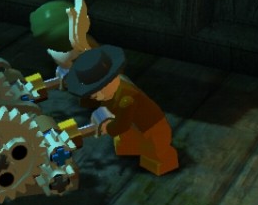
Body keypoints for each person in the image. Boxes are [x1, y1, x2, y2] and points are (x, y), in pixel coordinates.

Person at [64, 45, 178, 176]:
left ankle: (163, 156)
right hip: (134, 127)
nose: (94, 96)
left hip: (154, 131)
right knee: (123, 143)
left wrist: (108, 128)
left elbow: (121, 125)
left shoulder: (127, 99)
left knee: (155, 153)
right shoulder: (112, 91)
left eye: (95, 92)